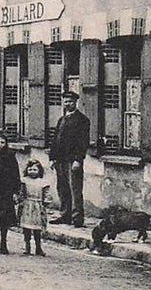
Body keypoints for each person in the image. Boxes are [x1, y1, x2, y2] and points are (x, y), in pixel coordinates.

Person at [50, 91, 90, 227]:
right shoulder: (61, 120)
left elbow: (83, 142)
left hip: (72, 161)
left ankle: (77, 218)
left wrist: (78, 160)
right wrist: (52, 158)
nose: (68, 104)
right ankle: (65, 215)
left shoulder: (82, 120)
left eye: (70, 101)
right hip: (60, 160)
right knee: (62, 188)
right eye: (65, 101)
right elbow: (55, 140)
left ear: (75, 102)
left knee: (75, 189)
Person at [18, 159, 50, 256]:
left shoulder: (42, 182)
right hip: (27, 206)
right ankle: (27, 246)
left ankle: (38, 247)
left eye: (35, 170)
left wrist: (46, 201)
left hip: (38, 206)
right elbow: (21, 193)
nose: (32, 171)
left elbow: (46, 194)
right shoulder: (24, 181)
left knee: (37, 229)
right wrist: (20, 200)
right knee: (26, 229)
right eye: (30, 169)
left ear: (39, 171)